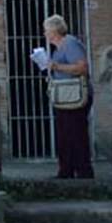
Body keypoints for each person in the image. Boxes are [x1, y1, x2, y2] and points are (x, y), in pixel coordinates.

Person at [43, 14, 94, 179]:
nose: (44, 34)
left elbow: (82, 68)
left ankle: (83, 172)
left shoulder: (70, 43)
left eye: (46, 30)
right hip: (65, 96)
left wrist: (56, 66)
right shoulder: (60, 48)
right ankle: (67, 170)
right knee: (65, 134)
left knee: (76, 133)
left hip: (75, 96)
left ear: (54, 30)